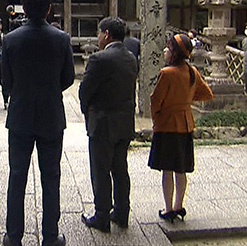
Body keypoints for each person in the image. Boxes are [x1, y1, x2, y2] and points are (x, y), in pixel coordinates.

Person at [1, 0, 74, 246]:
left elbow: (6, 81)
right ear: (49, 8)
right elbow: (68, 78)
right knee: (51, 176)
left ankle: (14, 237)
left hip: (19, 114)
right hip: (51, 114)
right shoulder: (61, 38)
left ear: (24, 8)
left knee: (17, 176)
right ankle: (50, 237)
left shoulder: (10, 39)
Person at [79, 17, 139, 233]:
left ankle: (102, 215)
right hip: (124, 121)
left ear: (106, 34)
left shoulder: (99, 59)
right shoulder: (131, 57)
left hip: (102, 122)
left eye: (99, 33)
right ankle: (122, 212)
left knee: (101, 169)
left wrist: (87, 110)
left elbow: (85, 91)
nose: (98, 37)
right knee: (120, 169)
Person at [148, 33, 213, 223]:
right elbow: (207, 94)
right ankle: (179, 206)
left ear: (174, 52)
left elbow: (156, 100)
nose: (165, 51)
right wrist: (185, 100)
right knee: (181, 169)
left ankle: (168, 209)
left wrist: (159, 115)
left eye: (168, 48)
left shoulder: (166, 73)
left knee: (167, 169)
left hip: (167, 124)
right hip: (185, 124)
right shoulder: (193, 72)